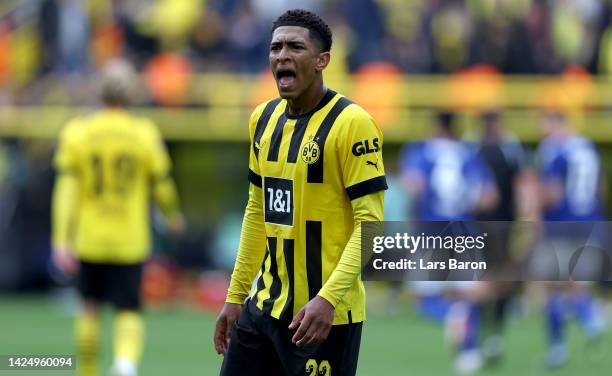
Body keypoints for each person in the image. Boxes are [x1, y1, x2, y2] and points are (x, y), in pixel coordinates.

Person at [214, 9, 387, 376]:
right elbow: (257, 212)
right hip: (262, 309)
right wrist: (234, 296)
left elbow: (371, 226)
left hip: (323, 317)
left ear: (322, 60)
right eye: (276, 47)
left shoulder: (352, 124)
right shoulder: (262, 119)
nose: (282, 56)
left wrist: (327, 299)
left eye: (295, 47)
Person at [51, 59, 184, 376]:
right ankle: (125, 365)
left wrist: (60, 240)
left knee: (89, 306)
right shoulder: (143, 133)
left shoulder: (77, 132)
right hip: (129, 239)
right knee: (128, 308)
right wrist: (172, 214)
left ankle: (87, 372)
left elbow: (66, 191)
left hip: (90, 238)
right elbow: (162, 185)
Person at [399, 111, 498, 374]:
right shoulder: (468, 153)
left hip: (431, 231)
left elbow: (413, 186)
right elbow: (489, 196)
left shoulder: (421, 151)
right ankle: (469, 353)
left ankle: (452, 318)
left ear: (434, 126)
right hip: (465, 230)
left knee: (423, 299)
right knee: (469, 295)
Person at [535, 111, 605, 369]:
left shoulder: (556, 151)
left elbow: (552, 193)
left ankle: (557, 348)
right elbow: (599, 187)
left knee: (552, 286)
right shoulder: (588, 147)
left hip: (561, 224)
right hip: (589, 222)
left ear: (557, 124)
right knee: (577, 285)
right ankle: (589, 316)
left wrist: (535, 215)